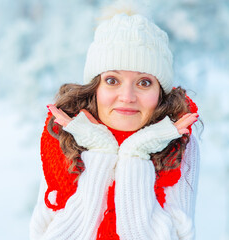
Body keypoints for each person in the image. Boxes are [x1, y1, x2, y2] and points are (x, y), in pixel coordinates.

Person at [29, 10, 200, 240]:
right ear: (95, 88)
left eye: (144, 82)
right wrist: (102, 151)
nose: (127, 96)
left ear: (160, 92)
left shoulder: (177, 141)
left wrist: (135, 154)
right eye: (112, 80)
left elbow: (178, 235)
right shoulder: (65, 137)